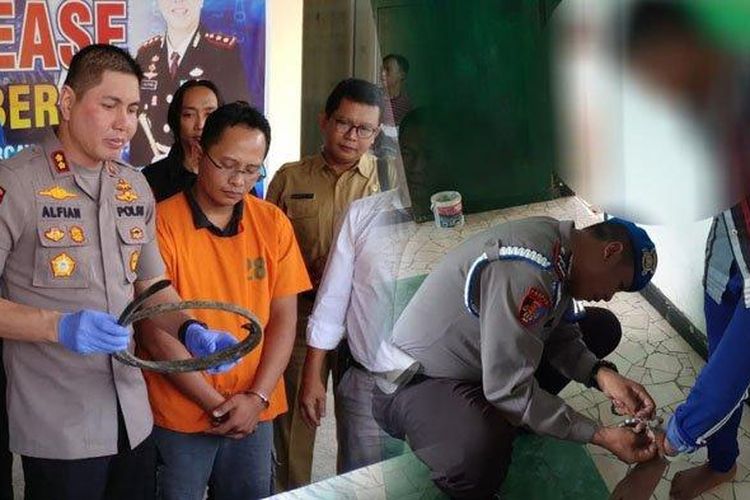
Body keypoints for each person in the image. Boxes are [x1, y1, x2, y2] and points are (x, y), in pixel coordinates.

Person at [0, 44, 239, 500]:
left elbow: (152, 286)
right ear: (67, 102)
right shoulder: (17, 183)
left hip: (132, 415)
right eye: (109, 105)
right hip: (59, 427)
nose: (124, 123)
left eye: (132, 109)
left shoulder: (133, 185)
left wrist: (190, 329)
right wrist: (58, 327)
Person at [372, 216, 660, 498]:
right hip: (414, 383)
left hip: (479, 365)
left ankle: (515, 416)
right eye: (618, 285)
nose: (609, 296)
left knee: (602, 327)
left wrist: (600, 374)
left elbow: (557, 330)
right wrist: (599, 435)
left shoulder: (561, 247)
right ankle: (471, 473)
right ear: (610, 251)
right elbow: (506, 390)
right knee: (480, 449)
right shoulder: (530, 270)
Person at [137, 102, 311, 499]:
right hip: (181, 413)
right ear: (199, 154)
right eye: (228, 165)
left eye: (252, 170)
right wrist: (217, 404)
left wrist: (257, 398)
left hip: (255, 410)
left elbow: (284, 319)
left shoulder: (272, 223)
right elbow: (154, 331)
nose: (238, 180)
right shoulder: (160, 224)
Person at [266, 77, 391, 490]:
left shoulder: (388, 184)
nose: (352, 136)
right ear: (324, 121)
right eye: (344, 123)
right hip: (301, 321)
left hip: (362, 327)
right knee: (294, 429)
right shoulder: (289, 179)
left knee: (362, 435)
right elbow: (266, 252)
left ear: (376, 133)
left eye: (364, 129)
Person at [130, 0, 251, 166]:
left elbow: (237, 123)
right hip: (152, 169)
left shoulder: (223, 53)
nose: (177, 2)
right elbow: (136, 120)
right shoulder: (146, 54)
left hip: (203, 169)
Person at [142, 79, 223, 202]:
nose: (200, 125)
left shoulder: (234, 179)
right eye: (189, 115)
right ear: (176, 120)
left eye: (209, 115)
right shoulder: (151, 177)